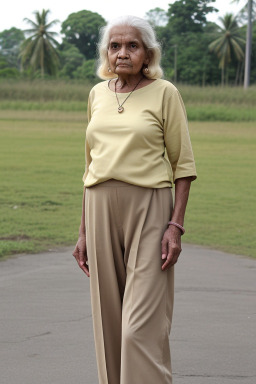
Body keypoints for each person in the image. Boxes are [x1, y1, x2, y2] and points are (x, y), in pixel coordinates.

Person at [72, 15, 197, 384]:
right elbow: (89, 165)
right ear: (106, 53)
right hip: (98, 208)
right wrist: (82, 233)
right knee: (109, 324)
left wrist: (175, 225)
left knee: (138, 330)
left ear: (147, 54)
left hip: (150, 208)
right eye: (115, 46)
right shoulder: (97, 94)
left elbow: (183, 166)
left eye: (132, 46)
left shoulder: (165, 93)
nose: (122, 53)